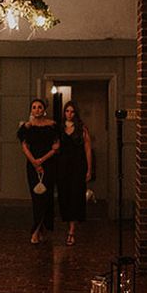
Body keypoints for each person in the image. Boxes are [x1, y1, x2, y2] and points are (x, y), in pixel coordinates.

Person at [17, 98, 60, 244]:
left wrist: (42, 160)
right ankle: (37, 229)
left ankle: (39, 229)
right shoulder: (26, 128)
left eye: (39, 107)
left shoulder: (52, 125)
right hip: (32, 165)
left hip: (49, 165)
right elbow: (24, 147)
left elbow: (56, 147)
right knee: (36, 198)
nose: (37, 110)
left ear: (44, 109)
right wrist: (34, 162)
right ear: (31, 110)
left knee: (46, 198)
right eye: (34, 107)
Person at [58, 101, 92, 246]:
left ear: (75, 113)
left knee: (75, 197)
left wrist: (89, 169)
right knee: (64, 196)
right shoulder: (59, 128)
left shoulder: (81, 129)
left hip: (78, 166)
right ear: (64, 112)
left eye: (72, 111)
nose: (69, 114)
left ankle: (71, 231)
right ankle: (68, 226)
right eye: (67, 111)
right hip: (63, 167)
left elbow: (88, 149)